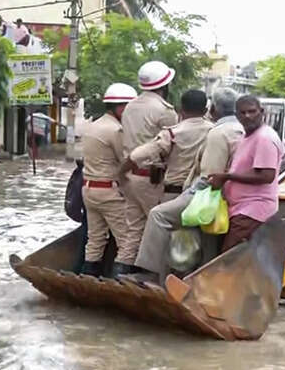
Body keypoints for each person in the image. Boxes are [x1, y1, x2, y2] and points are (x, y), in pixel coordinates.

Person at [132, 88, 243, 282]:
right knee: (206, 239)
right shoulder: (241, 131)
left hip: (205, 193)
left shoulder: (215, 133)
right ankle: (201, 280)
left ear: (214, 108)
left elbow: (209, 175)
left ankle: (149, 273)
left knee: (158, 216)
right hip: (234, 195)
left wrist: (187, 195)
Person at [207, 95, 284, 253]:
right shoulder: (248, 136)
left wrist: (227, 177)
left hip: (253, 211)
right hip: (241, 209)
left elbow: (266, 176)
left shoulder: (264, 138)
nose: (248, 116)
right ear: (236, 116)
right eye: (243, 113)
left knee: (229, 260)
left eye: (252, 111)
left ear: (262, 112)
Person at [120, 61, 178, 263]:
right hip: (152, 180)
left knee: (133, 230)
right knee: (160, 230)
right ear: (165, 85)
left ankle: (121, 270)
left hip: (130, 177)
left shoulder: (129, 106)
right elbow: (172, 144)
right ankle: (155, 278)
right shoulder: (164, 111)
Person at [79, 83, 137, 277]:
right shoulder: (116, 130)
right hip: (109, 192)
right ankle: (121, 282)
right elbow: (127, 160)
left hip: (89, 189)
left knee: (95, 239)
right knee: (127, 239)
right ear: (121, 108)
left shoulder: (92, 126)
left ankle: (88, 280)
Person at [122, 89, 213, 203]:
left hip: (173, 193)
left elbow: (137, 155)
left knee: (157, 217)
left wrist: (121, 173)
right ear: (205, 111)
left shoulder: (171, 133)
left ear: (180, 110)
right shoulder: (214, 131)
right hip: (201, 196)